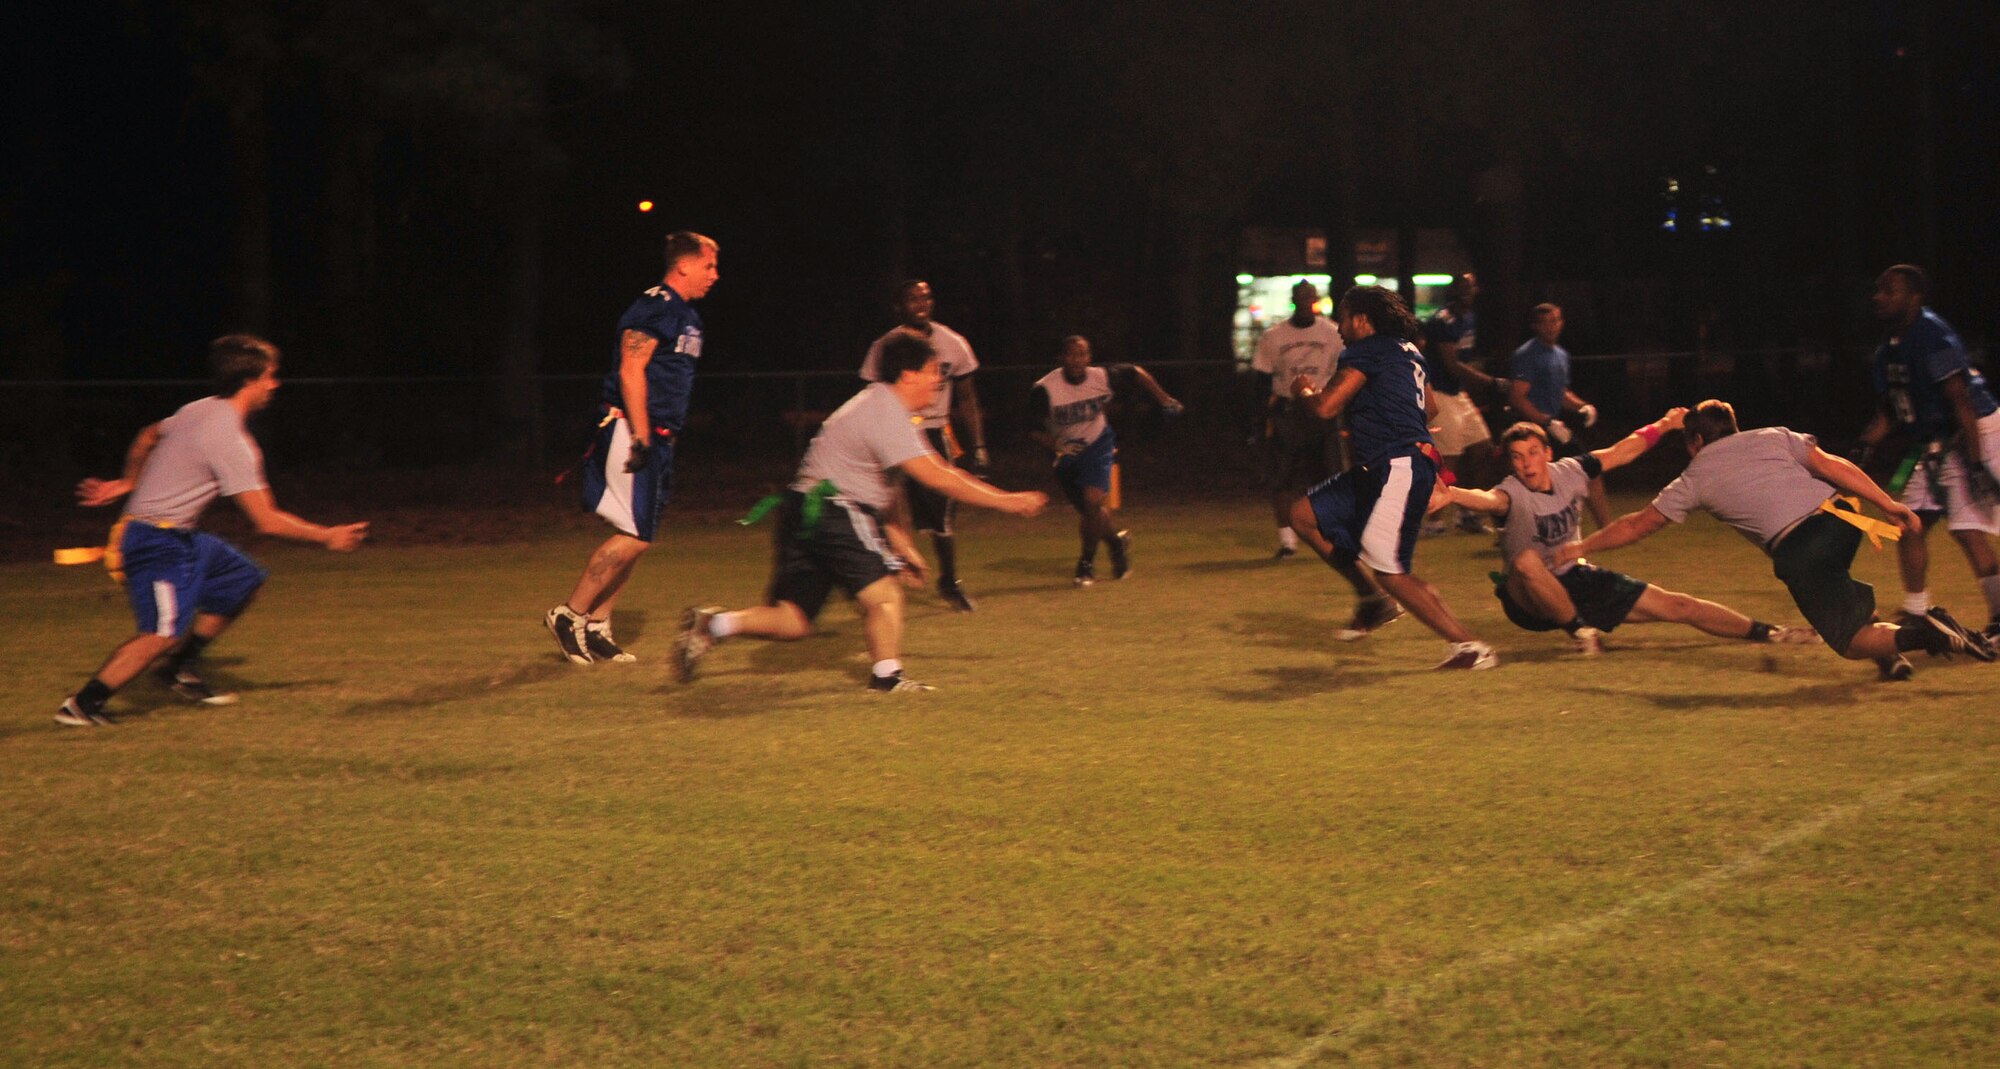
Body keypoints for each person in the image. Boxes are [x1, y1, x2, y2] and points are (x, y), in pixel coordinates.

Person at [674, 331, 1046, 692]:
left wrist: (901, 545)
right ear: (908, 374)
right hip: (835, 507)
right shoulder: (886, 411)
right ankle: (887, 679)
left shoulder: (881, 407)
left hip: (804, 509)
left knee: (795, 619)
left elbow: (889, 489)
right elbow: (939, 476)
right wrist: (1008, 501)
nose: (939, 381)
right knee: (885, 596)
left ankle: (713, 625)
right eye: (934, 372)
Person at [1557, 400, 1993, 680]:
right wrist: (1887, 503)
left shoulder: (1694, 475)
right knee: (1837, 586)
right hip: (1843, 519)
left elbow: (1637, 525)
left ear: (1695, 441)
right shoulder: (1772, 435)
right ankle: (1891, 655)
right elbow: (1831, 465)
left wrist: (1582, 547)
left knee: (1848, 640)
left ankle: (1927, 634)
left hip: (1800, 547)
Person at [60, 334, 369, 726]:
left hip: (179, 534)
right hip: (151, 539)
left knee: (242, 578)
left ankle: (176, 670)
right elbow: (266, 520)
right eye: (271, 376)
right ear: (250, 381)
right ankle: (82, 706)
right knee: (162, 633)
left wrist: (127, 481)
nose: (275, 385)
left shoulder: (198, 409)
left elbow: (148, 436)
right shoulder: (231, 442)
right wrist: (328, 536)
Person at [1441, 409, 1818, 654]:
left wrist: (1664, 426)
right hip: (1529, 601)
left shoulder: (1571, 470)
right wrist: (1452, 494)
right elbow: (1486, 500)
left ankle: (1770, 633)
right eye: (1518, 457)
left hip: (1575, 578)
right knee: (1525, 561)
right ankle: (1582, 634)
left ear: (1548, 453)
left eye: (1533, 452)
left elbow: (1622, 451)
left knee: (1678, 605)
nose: (1526, 464)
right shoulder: (1511, 491)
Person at [1287, 284, 1498, 670]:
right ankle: (1373, 600)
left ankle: (1469, 645)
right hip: (1384, 465)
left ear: (1362, 320)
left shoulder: (1366, 351)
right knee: (1303, 515)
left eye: (1344, 316)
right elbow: (1430, 407)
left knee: (1392, 571)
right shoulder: (1409, 351)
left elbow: (1325, 407)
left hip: (1395, 466)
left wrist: (1303, 389)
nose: (1338, 326)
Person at [545, 230, 719, 664]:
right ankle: (570, 614)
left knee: (640, 533)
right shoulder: (654, 306)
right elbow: (631, 369)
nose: (715, 275)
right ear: (684, 264)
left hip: (660, 435)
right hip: (632, 430)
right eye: (709, 265)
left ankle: (599, 624)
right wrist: (641, 435)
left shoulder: (687, 315)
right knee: (635, 535)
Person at [1851, 264, 2000, 645]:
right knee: (1911, 523)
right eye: (1878, 290)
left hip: (1973, 430)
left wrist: (1978, 463)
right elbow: (1893, 410)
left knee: (1968, 530)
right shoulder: (1890, 348)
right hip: (1938, 441)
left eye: (1890, 290)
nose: (1879, 297)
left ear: (1914, 297)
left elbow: (1960, 401)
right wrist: (1865, 445)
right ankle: (1917, 613)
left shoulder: (1931, 335)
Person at [859, 279, 989, 612]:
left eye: (927, 297)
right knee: (889, 508)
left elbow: (967, 396)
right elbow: (869, 397)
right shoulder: (885, 346)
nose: (922, 303)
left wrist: (978, 445)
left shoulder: (953, 343)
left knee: (941, 511)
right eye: (913, 298)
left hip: (932, 432)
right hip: (893, 431)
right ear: (898, 306)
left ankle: (949, 580)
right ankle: (888, 577)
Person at [1027, 335, 1184, 586]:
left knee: (1092, 501)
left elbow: (1136, 372)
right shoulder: (1045, 389)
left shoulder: (1101, 377)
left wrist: (1164, 398)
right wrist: (1058, 445)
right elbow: (1033, 429)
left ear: (1089, 358)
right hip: (1065, 453)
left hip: (1098, 444)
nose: (1077, 360)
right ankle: (1116, 542)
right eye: (1071, 354)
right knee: (1092, 513)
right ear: (1062, 358)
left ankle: (1086, 564)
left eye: (1082, 354)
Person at [1252, 280, 1345, 558]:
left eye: (1310, 298)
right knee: (1282, 478)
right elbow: (1262, 379)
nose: (1305, 302)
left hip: (1321, 408)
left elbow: (1344, 372)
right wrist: (1260, 420)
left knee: (1330, 476)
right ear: (1293, 300)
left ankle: (1333, 533)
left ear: (1316, 300)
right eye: (1300, 298)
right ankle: (1287, 542)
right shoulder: (1275, 336)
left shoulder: (1332, 332)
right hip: (1289, 411)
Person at [1508, 302, 1609, 528]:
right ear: (1535, 326)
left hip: (1553, 427)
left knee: (1590, 469)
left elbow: (1560, 392)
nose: (1551, 327)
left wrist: (1583, 407)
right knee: (1531, 481)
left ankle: (1606, 526)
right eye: (1545, 323)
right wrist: (1547, 422)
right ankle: (1515, 528)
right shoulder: (1527, 355)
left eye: (1555, 321)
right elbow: (1518, 397)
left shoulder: (1560, 354)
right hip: (1532, 430)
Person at [1420, 273, 1503, 535]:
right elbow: (1452, 365)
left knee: (1483, 448)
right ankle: (1434, 519)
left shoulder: (1470, 318)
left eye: (1471, 287)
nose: (1468, 293)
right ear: (1453, 291)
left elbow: (1464, 363)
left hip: (1458, 394)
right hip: (1440, 393)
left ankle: (1468, 513)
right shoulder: (1443, 320)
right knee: (1449, 459)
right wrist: (1491, 382)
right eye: (1462, 288)